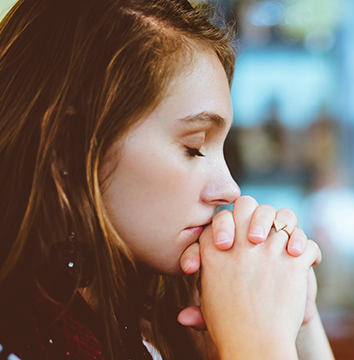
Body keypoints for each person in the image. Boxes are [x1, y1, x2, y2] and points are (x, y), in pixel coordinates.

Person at [0, 0, 335, 359]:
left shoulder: (157, 328)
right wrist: (257, 343)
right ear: (67, 146)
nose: (230, 190)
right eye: (193, 147)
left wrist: (298, 322)